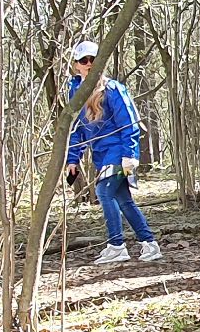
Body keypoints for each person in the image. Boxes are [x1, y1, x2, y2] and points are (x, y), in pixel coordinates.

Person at [63, 40, 161, 265]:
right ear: (76, 65)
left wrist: (130, 155)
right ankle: (149, 244)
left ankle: (116, 245)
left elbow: (129, 123)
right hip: (101, 155)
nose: (89, 64)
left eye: (93, 60)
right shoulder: (75, 92)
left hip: (119, 151)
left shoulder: (113, 89)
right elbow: (77, 129)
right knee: (124, 200)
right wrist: (73, 160)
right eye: (83, 60)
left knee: (104, 192)